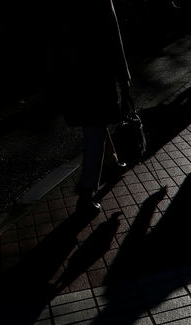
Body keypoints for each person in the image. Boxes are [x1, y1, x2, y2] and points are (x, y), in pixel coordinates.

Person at [53, 0, 132, 211]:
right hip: (97, 74)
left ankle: (113, 162)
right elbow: (115, 38)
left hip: (72, 75)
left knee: (94, 123)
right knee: (95, 129)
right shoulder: (101, 3)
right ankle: (86, 194)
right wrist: (124, 79)